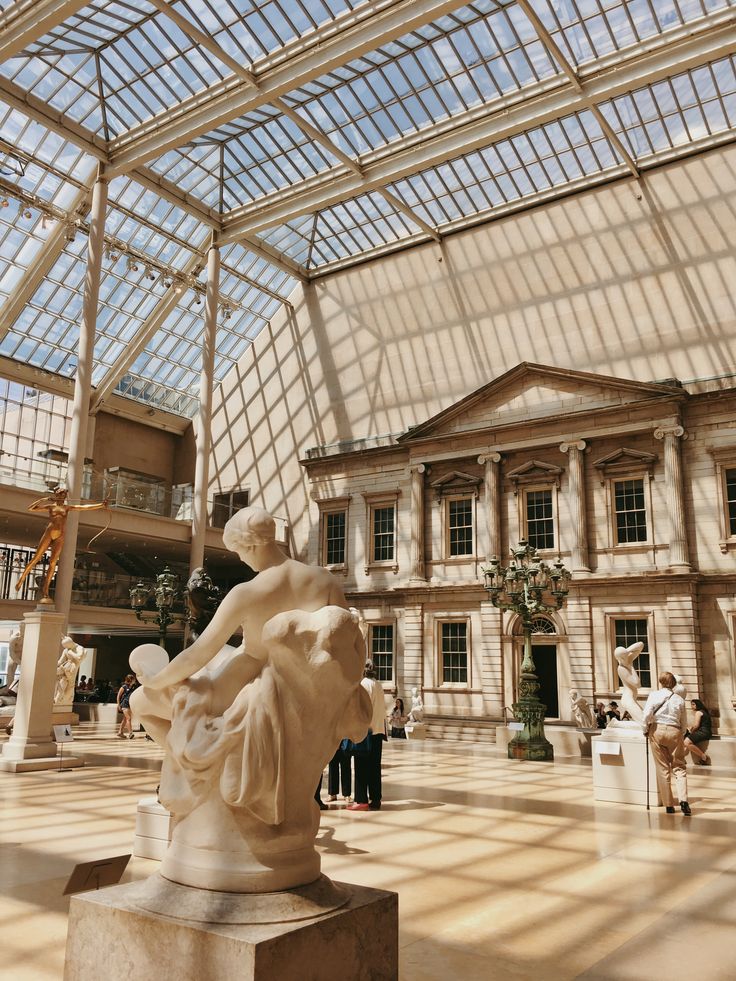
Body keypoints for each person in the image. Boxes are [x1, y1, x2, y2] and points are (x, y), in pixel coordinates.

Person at [14, 486, 107, 600]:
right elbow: (31, 508)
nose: (62, 497)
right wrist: (44, 499)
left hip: (60, 535)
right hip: (49, 532)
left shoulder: (67, 507)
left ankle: (45, 590)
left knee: (53, 563)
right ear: (56, 495)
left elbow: (83, 507)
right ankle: (21, 578)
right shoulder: (50, 506)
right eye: (60, 494)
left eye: (64, 495)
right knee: (36, 558)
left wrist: (101, 505)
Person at [642, 671, 691, 815]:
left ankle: (669, 805)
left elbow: (647, 715)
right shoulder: (679, 699)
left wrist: (645, 729)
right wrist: (680, 735)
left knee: (663, 768)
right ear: (674, 684)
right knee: (679, 767)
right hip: (675, 731)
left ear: (660, 682)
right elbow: (684, 722)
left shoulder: (653, 695)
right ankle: (684, 802)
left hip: (657, 730)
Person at [348, 661, 387, 812]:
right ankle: (375, 799)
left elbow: (360, 710)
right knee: (375, 767)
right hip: (378, 731)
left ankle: (361, 799)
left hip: (366, 732)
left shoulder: (363, 685)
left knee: (361, 766)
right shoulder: (378, 685)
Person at [684, 698, 712, 765]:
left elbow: (696, 725)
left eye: (693, 704)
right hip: (706, 732)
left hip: (702, 732)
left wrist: (691, 731)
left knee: (686, 742)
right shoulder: (704, 712)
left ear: (698, 705)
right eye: (691, 704)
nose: (692, 706)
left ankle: (703, 756)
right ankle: (681, 758)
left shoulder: (698, 712)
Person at [116, 674, 137, 739]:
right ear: (130, 679)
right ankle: (130, 733)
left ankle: (120, 732)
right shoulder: (124, 687)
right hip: (124, 704)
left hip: (129, 704)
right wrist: (118, 704)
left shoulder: (133, 687)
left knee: (125, 719)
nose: (134, 680)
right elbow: (118, 696)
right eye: (133, 679)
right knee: (129, 718)